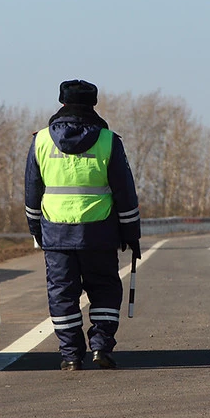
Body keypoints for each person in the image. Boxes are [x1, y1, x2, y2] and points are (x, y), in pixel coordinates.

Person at [25, 79, 141, 371]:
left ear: (62, 103)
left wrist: (36, 230)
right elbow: (125, 192)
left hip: (56, 234)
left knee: (62, 294)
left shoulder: (41, 141)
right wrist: (131, 233)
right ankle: (101, 347)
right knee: (104, 290)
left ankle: (70, 356)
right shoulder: (109, 141)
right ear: (93, 104)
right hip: (99, 232)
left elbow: (32, 191)